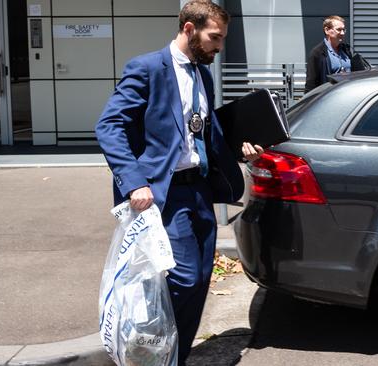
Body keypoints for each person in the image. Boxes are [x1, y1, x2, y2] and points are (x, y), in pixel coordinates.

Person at [95, 1, 263, 363]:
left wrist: (240, 149)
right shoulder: (147, 68)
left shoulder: (202, 74)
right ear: (189, 29)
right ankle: (147, 347)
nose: (219, 47)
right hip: (162, 193)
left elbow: (204, 131)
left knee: (201, 279)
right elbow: (109, 126)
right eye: (214, 38)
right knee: (184, 278)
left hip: (200, 188)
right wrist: (134, 181)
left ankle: (175, 356)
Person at [305, 15, 352, 93]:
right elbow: (311, 84)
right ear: (327, 30)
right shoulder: (317, 53)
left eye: (344, 30)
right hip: (329, 98)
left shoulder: (346, 49)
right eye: (339, 30)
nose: (343, 33)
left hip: (348, 96)